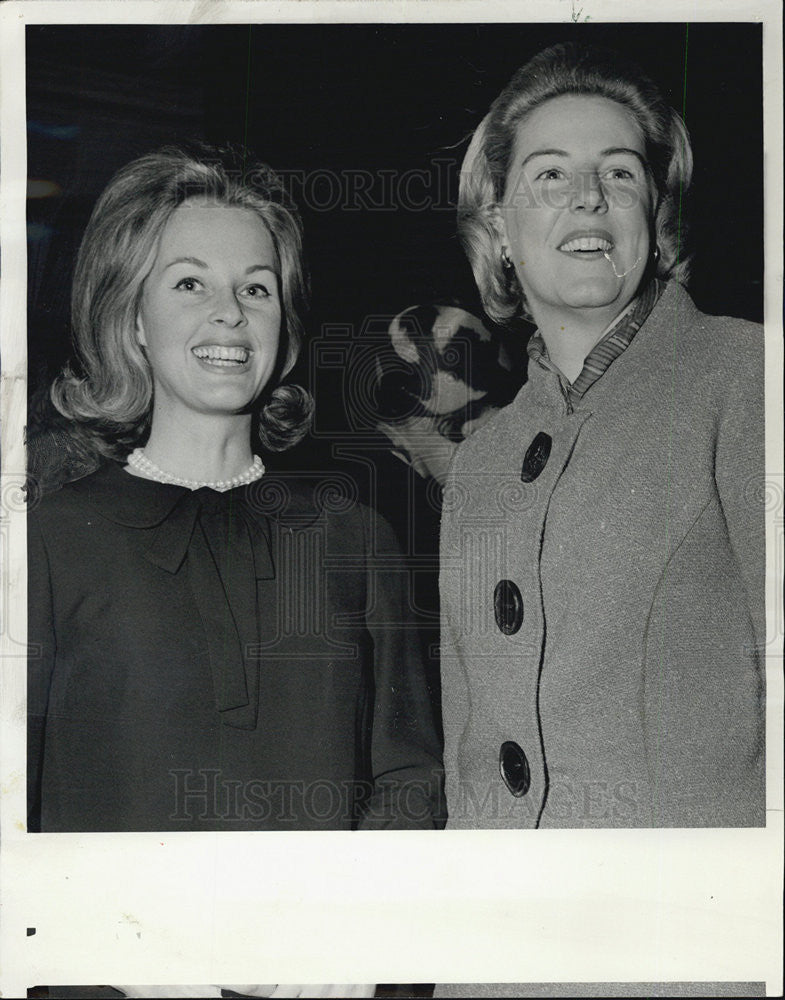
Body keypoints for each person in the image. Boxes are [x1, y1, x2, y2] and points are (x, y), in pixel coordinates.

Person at [27, 143, 444, 837]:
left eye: (256, 287)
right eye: (189, 283)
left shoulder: (353, 537)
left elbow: (409, 779)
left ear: (284, 337)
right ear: (132, 319)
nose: (229, 312)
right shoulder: (50, 539)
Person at [439, 42, 766, 832]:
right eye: (548, 174)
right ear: (498, 225)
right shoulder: (480, 460)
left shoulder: (745, 376)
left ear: (654, 216)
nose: (587, 196)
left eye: (618, 172)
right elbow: (467, 751)